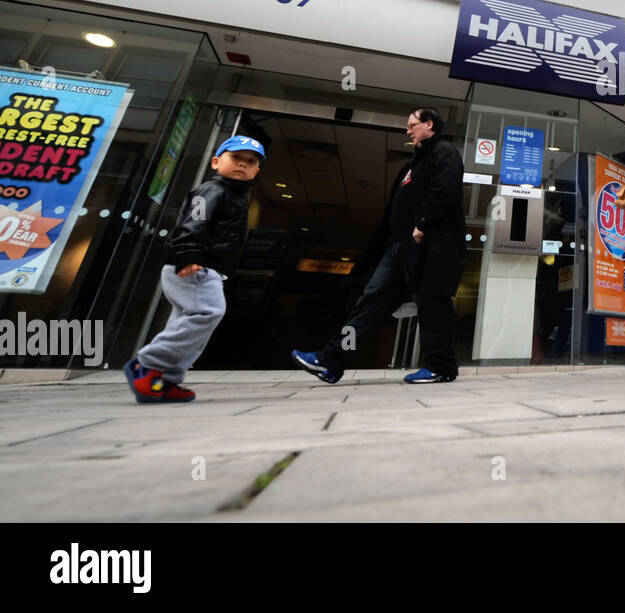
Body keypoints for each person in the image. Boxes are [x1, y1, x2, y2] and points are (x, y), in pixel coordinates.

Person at [292, 107, 466, 384]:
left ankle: (441, 367)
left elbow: (444, 189)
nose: (407, 130)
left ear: (429, 124)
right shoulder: (413, 163)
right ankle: (331, 360)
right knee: (370, 302)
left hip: (426, 245)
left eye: (412, 125)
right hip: (397, 248)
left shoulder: (444, 152)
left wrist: (422, 225)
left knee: (433, 303)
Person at [123, 135, 265, 403]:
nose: (242, 165)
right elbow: (193, 223)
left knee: (185, 320)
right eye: (236, 158)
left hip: (205, 267)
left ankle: (163, 380)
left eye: (251, 162)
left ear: (255, 172)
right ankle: (148, 364)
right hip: (195, 266)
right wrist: (189, 256)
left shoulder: (235, 197)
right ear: (215, 162)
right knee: (209, 312)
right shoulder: (212, 191)